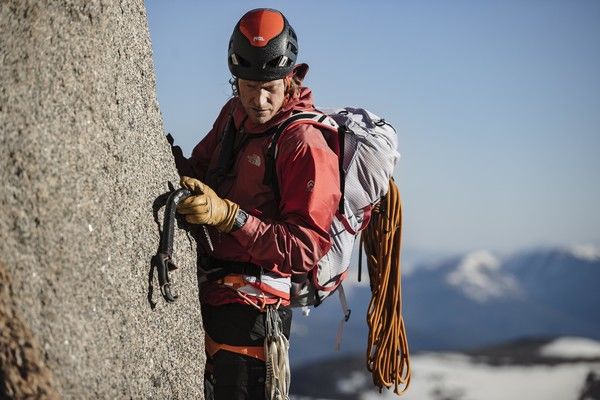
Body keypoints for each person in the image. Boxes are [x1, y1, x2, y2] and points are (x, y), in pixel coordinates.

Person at [174, 8, 341, 400]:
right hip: (208, 298)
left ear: (289, 78)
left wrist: (231, 217)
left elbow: (307, 247)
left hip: (255, 319)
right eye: (248, 86)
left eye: (270, 87)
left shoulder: (303, 144)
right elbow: (199, 169)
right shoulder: (233, 115)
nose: (259, 99)